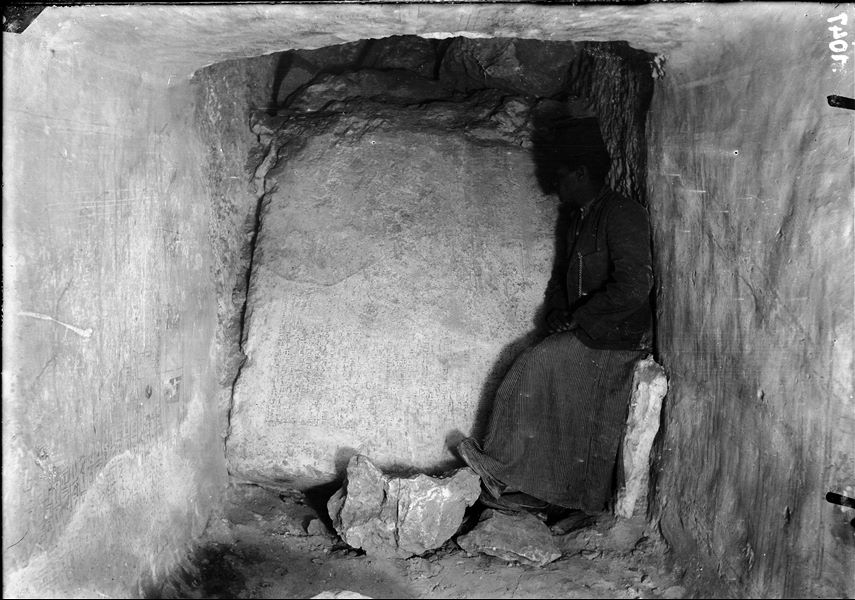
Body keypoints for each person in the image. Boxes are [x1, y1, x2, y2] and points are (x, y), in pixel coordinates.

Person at [457, 117, 653, 517]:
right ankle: (528, 484)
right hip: (588, 331)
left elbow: (634, 287)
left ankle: (505, 475)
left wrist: (580, 317)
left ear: (582, 172)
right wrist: (557, 312)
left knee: (533, 366)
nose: (554, 184)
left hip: (617, 338)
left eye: (561, 175)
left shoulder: (622, 214)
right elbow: (560, 279)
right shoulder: (577, 218)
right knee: (538, 366)